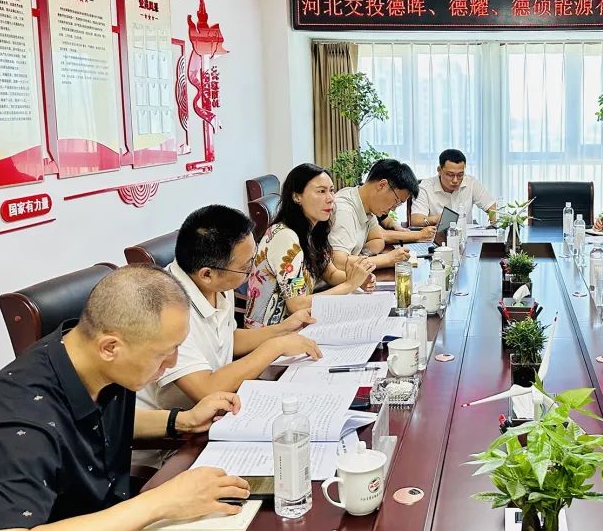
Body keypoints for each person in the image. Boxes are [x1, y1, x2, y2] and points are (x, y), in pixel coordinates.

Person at [0, 266, 251, 531]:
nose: (172, 362)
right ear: (110, 346)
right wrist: (161, 501)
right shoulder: (17, 416)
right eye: (164, 353)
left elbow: (88, 424)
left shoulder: (88, 357)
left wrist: (180, 421)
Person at [139, 205, 322, 412]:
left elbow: (227, 339)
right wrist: (276, 346)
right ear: (207, 274)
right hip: (175, 422)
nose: (252, 269)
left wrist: (283, 329)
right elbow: (206, 389)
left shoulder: (219, 284)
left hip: (218, 404)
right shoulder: (165, 308)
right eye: (246, 267)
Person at [245, 164, 377, 328]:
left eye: (331, 190)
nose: (330, 198)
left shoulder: (313, 230)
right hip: (271, 332)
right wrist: (349, 285)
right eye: (321, 191)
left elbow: (331, 273)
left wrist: (357, 278)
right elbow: (297, 304)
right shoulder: (285, 237)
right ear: (297, 197)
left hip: (300, 324)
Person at [330, 158, 427, 270]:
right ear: (382, 185)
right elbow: (338, 263)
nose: (394, 209)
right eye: (396, 201)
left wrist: (361, 257)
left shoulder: (367, 205)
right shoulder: (344, 210)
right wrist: (387, 259)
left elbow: (377, 239)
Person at [410, 149, 498, 227]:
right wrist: (437, 219)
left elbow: (492, 208)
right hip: (437, 238)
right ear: (439, 170)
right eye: (450, 175)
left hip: (465, 237)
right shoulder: (425, 187)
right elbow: (416, 220)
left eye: (460, 175)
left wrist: (494, 226)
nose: (455, 180)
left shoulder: (471, 183)